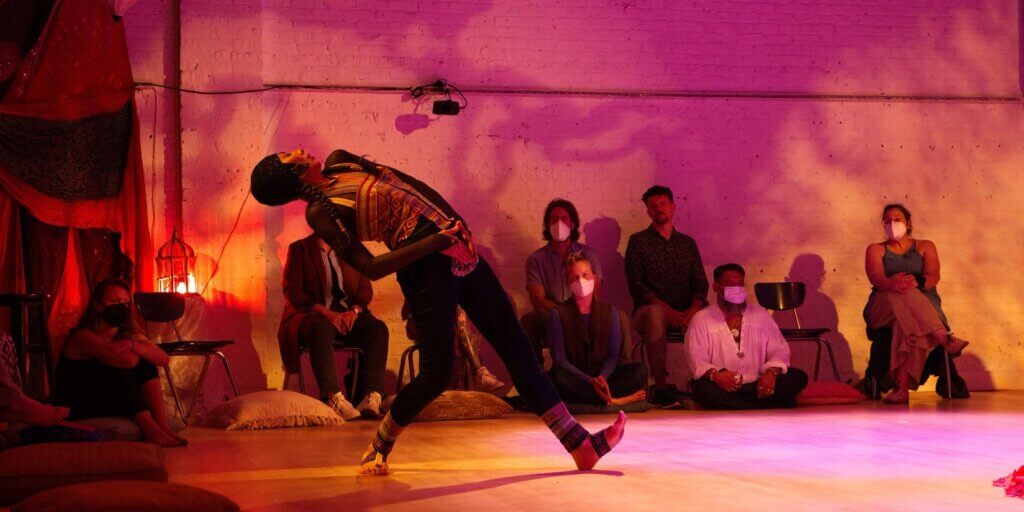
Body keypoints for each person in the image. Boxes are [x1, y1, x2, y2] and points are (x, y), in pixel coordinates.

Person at [250, 148, 626, 476]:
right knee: (436, 374)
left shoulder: (340, 161)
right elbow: (370, 266)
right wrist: (437, 240)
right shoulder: (321, 212)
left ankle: (580, 446)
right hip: (424, 269)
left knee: (520, 355)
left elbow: (409, 185)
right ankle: (381, 443)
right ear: (290, 173)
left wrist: (455, 227)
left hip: (459, 249)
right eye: (288, 155)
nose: (299, 150)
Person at [54, 277, 186, 446]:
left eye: (125, 302)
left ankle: (162, 427)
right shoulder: (83, 335)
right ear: (97, 305)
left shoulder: (127, 334)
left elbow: (163, 358)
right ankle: (151, 430)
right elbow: (126, 362)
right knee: (122, 369)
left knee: (146, 364)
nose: (121, 307)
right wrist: (139, 349)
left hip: (107, 396)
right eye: (114, 301)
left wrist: (130, 344)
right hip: (77, 401)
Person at [863, 204, 969, 404]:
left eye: (897, 219)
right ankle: (942, 336)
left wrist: (916, 282)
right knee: (899, 290)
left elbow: (933, 276)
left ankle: (901, 389)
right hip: (883, 307)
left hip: (919, 310)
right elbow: (877, 278)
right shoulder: (875, 249)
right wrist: (893, 283)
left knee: (904, 324)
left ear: (908, 223)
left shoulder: (925, 246)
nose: (892, 224)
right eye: (887, 221)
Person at [280, 233, 390, 419]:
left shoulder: (349, 247)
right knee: (319, 329)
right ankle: (332, 397)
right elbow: (293, 292)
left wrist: (354, 311)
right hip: (314, 313)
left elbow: (365, 288)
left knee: (377, 329)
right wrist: (327, 313)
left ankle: (371, 395)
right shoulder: (300, 249)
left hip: (347, 313)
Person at [625, 185, 708, 403]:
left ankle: (711, 380)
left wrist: (693, 310)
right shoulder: (638, 242)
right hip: (650, 311)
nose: (658, 208)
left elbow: (700, 282)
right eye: (653, 206)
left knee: (711, 315)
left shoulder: (687, 244)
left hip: (686, 310)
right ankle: (660, 386)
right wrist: (667, 310)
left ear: (673, 207)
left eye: (663, 204)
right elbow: (637, 285)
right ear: (648, 212)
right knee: (655, 314)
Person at [686, 263, 808, 409]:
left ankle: (740, 404)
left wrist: (771, 374)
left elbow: (779, 350)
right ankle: (766, 403)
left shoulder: (760, 315)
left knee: (798, 377)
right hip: (722, 385)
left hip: (758, 383)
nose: (737, 289)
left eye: (740, 284)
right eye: (731, 285)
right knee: (702, 389)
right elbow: (697, 359)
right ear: (716, 288)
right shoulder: (701, 319)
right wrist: (716, 375)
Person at [546, 254, 646, 406]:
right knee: (556, 377)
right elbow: (560, 360)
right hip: (576, 378)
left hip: (603, 378)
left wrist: (601, 379)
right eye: (574, 277)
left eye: (585, 275)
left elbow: (612, 356)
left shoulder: (610, 313)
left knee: (639, 371)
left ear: (594, 277)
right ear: (568, 282)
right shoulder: (558, 314)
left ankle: (594, 397)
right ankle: (615, 400)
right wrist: (589, 380)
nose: (580, 281)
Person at [521, 199, 603, 361]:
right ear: (547, 225)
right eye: (554, 219)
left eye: (564, 219)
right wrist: (563, 314)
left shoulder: (589, 255)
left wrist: (576, 314)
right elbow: (538, 300)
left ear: (572, 224)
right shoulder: (536, 260)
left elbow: (595, 294)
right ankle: (535, 372)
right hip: (552, 316)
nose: (559, 223)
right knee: (530, 320)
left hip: (583, 315)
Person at [402, 303, 505, 393]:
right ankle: (480, 374)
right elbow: (408, 315)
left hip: (450, 337)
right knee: (456, 330)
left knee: (458, 328)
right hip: (425, 331)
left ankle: (479, 374)